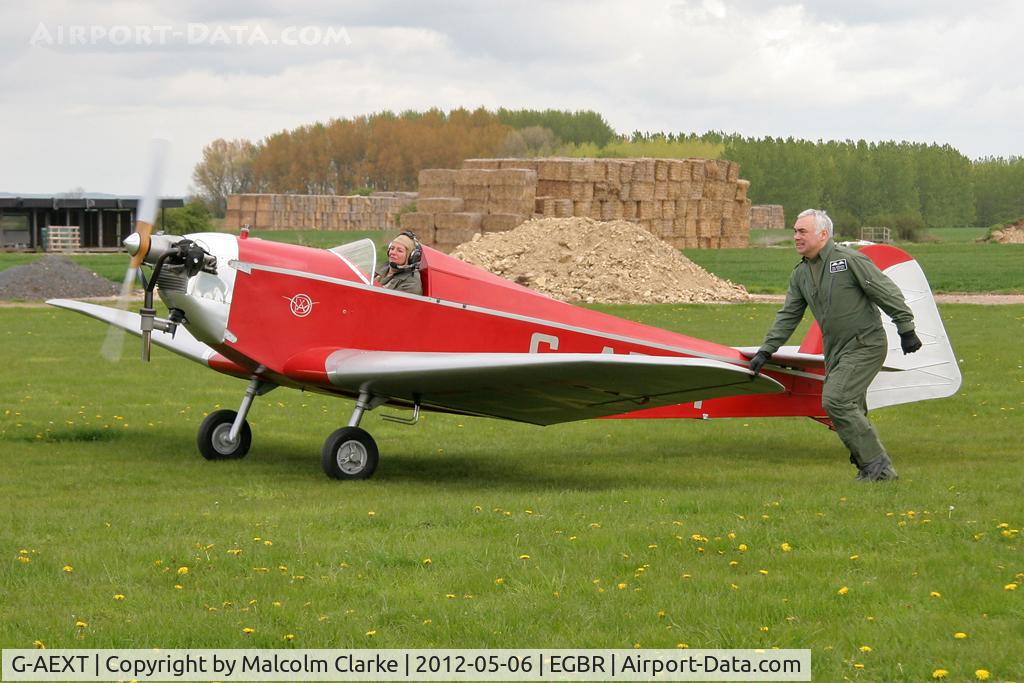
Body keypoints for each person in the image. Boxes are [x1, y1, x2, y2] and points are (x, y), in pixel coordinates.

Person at [749, 209, 922, 482]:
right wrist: (766, 350)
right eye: (795, 231)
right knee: (852, 406)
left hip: (866, 344)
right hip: (835, 351)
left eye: (802, 231)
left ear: (823, 234)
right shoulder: (801, 274)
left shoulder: (849, 260)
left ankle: (879, 469)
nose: (796, 236)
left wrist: (906, 328)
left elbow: (884, 290)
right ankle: (868, 468)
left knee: (836, 400)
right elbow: (789, 315)